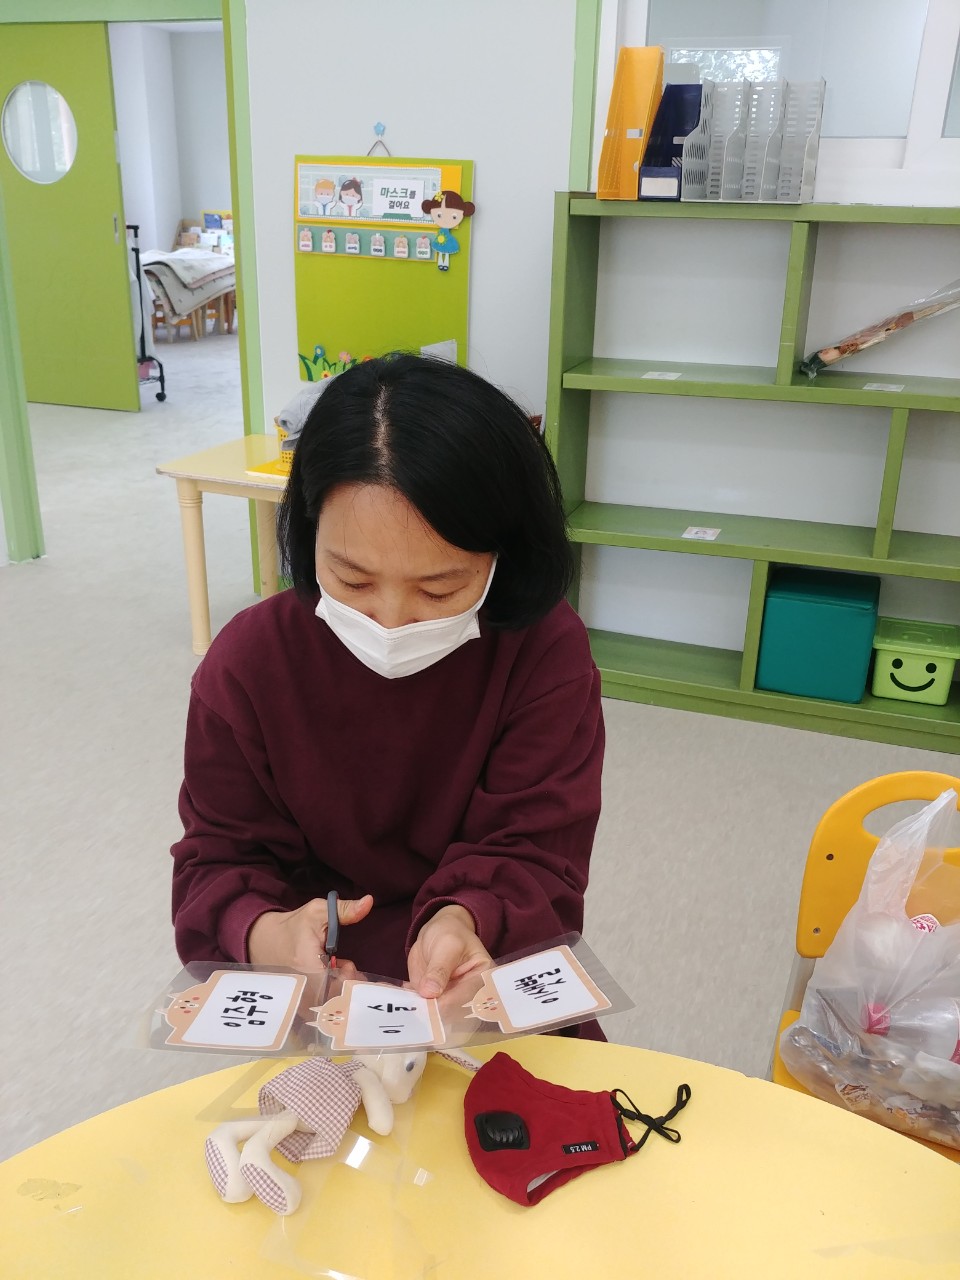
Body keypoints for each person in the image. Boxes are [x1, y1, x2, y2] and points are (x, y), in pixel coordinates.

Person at [170, 354, 604, 1027]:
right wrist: (269, 935)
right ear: (308, 533)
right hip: (313, 989)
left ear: (502, 556)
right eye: (353, 580)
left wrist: (465, 918)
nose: (392, 622)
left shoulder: (542, 652)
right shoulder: (248, 665)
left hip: (480, 965)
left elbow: (537, 853)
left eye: (440, 589)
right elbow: (217, 861)